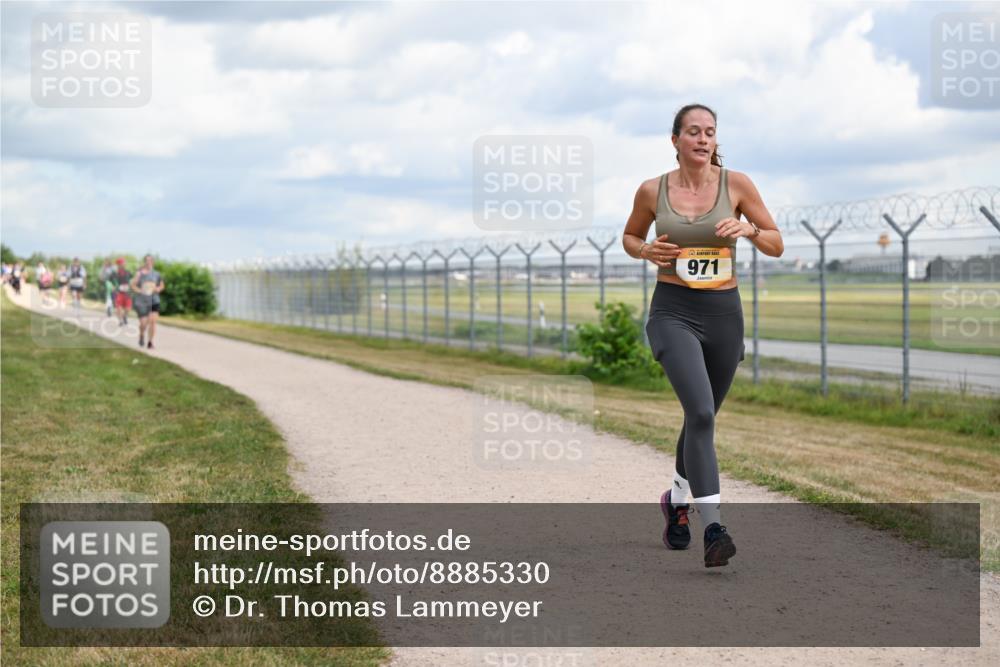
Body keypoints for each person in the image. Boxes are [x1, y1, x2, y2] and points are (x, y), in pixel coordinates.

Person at [622, 103, 783, 567]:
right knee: (701, 412)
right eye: (693, 131)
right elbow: (631, 237)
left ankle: (676, 501)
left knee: (702, 417)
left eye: (710, 132)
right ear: (675, 140)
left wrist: (749, 229)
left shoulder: (737, 185)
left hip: (724, 317)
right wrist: (645, 250)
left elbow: (776, 242)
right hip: (673, 312)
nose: (702, 139)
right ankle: (713, 526)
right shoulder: (653, 190)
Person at [130, 254, 164, 349]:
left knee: (153, 321)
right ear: (144, 262)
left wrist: (158, 289)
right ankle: (141, 335)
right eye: (147, 260)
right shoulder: (139, 273)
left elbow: (161, 285)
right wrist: (140, 291)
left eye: (150, 260)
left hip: (154, 300)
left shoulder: (157, 274)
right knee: (143, 324)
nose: (149, 262)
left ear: (153, 262)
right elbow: (132, 285)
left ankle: (150, 342)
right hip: (142, 301)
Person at [112, 258, 133, 326]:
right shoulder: (115, 273)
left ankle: (124, 316)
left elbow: (132, 280)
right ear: (118, 265)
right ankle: (120, 321)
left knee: (128, 308)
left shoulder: (128, 272)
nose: (123, 264)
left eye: (124, 263)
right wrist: (113, 287)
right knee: (119, 307)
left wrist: (132, 287)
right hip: (119, 293)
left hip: (127, 292)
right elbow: (111, 282)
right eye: (122, 263)